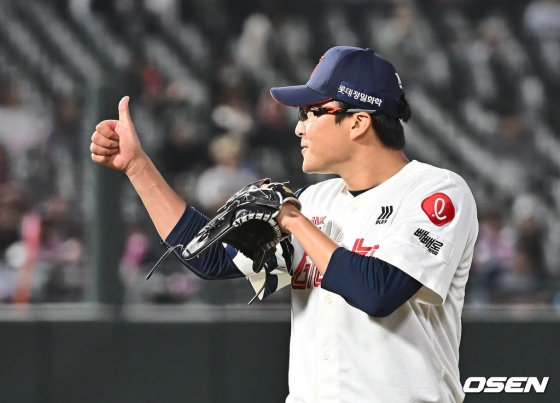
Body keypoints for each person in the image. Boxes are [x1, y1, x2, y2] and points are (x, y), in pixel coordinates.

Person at [91, 46, 478, 403]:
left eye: (311, 113)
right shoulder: (316, 201)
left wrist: (292, 220)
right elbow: (211, 258)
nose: (299, 127)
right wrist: (137, 167)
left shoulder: (435, 192)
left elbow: (379, 292)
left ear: (358, 122)